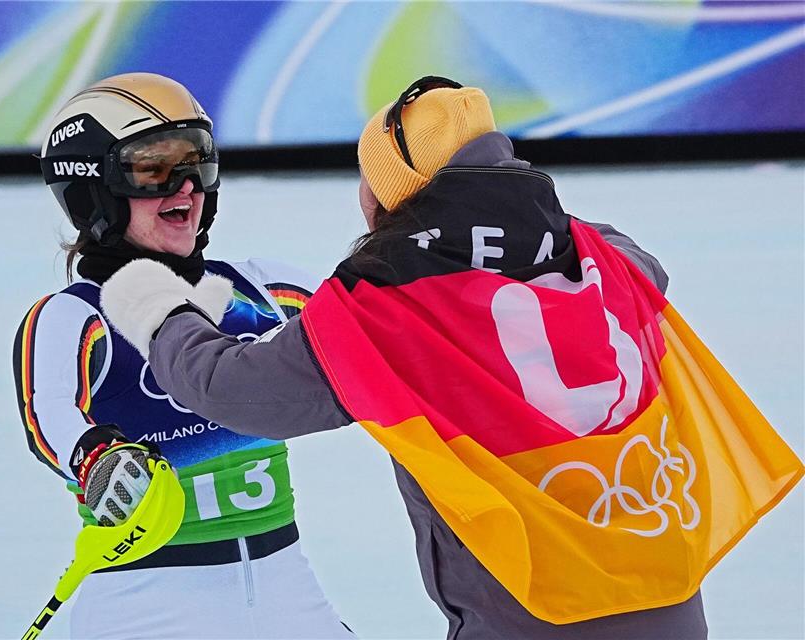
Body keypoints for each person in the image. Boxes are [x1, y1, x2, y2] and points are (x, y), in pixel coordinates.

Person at [101, 77, 804, 639]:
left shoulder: (388, 305)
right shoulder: (604, 257)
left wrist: (155, 307)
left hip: (530, 618)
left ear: (386, 194)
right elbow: (643, 265)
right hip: (671, 606)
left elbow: (238, 392)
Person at [12, 72, 353, 639]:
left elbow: (377, 334)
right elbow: (47, 413)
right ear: (93, 188)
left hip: (284, 587)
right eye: (153, 168)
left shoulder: (264, 288)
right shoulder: (76, 316)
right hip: (145, 601)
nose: (187, 187)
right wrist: (94, 460)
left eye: (198, 162)